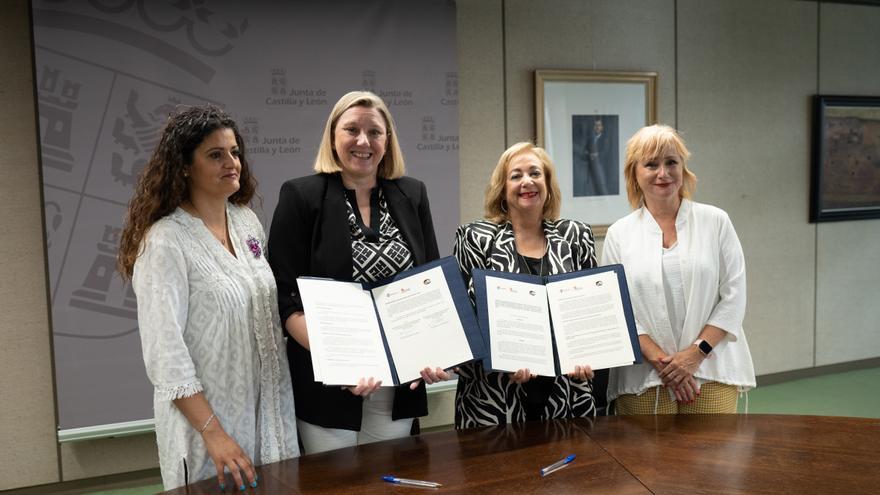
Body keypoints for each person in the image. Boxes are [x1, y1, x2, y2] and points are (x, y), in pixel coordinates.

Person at [117, 106, 299, 491]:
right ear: (183, 166)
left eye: (234, 152)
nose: (231, 163)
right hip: (208, 432)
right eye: (215, 155)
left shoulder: (246, 221)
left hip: (270, 418)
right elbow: (165, 354)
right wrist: (213, 433)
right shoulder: (165, 241)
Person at [267, 90, 448, 454]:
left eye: (375, 132)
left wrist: (433, 351)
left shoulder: (412, 194)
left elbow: (429, 283)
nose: (363, 141)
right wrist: (343, 364)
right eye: (351, 129)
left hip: (399, 384)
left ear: (388, 140)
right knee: (337, 484)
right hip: (329, 384)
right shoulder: (301, 196)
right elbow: (287, 300)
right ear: (333, 136)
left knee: (389, 478)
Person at [602, 124, 755, 414]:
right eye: (651, 164)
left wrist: (695, 355)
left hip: (711, 369)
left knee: (713, 458)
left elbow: (734, 296)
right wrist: (666, 364)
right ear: (634, 172)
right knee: (645, 460)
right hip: (644, 377)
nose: (663, 173)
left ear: (683, 168)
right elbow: (616, 308)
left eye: (671, 162)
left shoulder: (716, 222)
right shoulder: (619, 234)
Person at [453, 141, 601, 429]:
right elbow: (462, 322)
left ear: (547, 184)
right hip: (493, 399)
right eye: (516, 175)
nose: (527, 182)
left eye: (535, 173)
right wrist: (503, 360)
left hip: (567, 396)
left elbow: (589, 313)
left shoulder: (575, 235)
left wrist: (587, 356)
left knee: (570, 473)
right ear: (502, 188)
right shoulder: (475, 238)